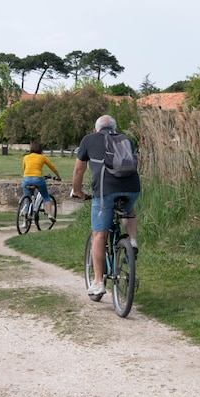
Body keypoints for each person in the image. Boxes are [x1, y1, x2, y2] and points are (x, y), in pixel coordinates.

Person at [71, 115, 141, 296]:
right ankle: (132, 241)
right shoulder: (126, 139)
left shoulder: (89, 139)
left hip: (104, 192)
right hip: (132, 189)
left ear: (96, 130)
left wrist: (77, 191)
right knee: (128, 210)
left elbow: (79, 169)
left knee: (99, 235)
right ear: (115, 129)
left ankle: (98, 281)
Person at [22, 141, 62, 222]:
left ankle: (24, 218)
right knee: (46, 196)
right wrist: (58, 177)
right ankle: (50, 214)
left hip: (26, 179)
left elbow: (24, 168)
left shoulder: (25, 157)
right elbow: (52, 167)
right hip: (38, 179)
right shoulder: (42, 157)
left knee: (27, 197)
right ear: (40, 149)